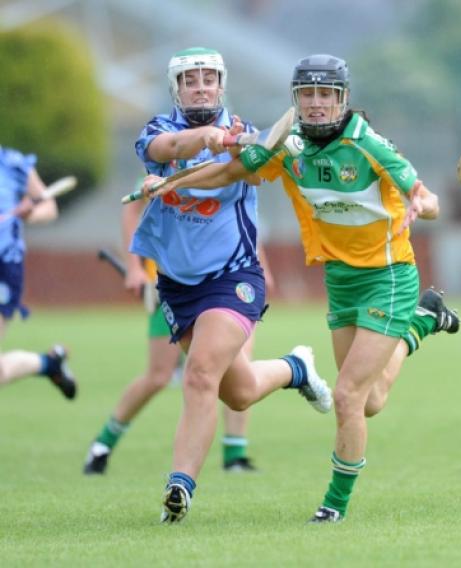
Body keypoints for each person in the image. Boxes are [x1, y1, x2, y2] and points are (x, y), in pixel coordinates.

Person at [143, 54, 461, 523]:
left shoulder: (369, 144)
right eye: (307, 94)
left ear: (342, 99)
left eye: (325, 95)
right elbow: (230, 173)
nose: (315, 103)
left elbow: (425, 195)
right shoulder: (288, 145)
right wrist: (175, 184)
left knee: (348, 396)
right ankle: (423, 321)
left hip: (389, 276)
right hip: (340, 279)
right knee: (370, 401)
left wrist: (422, 205)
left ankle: (334, 505)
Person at [132, 47, 333, 523]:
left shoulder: (247, 139)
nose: (200, 87)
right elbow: (168, 149)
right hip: (177, 285)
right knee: (238, 392)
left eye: (209, 79)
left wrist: (228, 146)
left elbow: (236, 172)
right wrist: (198, 145)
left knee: (201, 373)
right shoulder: (155, 131)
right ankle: (295, 368)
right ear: (176, 89)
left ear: (221, 86)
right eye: (190, 80)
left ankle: (180, 487)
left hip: (233, 276)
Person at [83, 183, 276, 474]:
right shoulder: (163, 169)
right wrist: (134, 268)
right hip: (175, 289)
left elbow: (243, 217)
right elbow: (132, 210)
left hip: (226, 286)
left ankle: (235, 452)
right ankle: (103, 443)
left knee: (238, 367)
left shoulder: (228, 167)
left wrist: (264, 267)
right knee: (159, 375)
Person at [0, 146, 76, 399]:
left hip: (4, 266)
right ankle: (49, 364)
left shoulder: (13, 164)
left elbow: (49, 208)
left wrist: (30, 214)